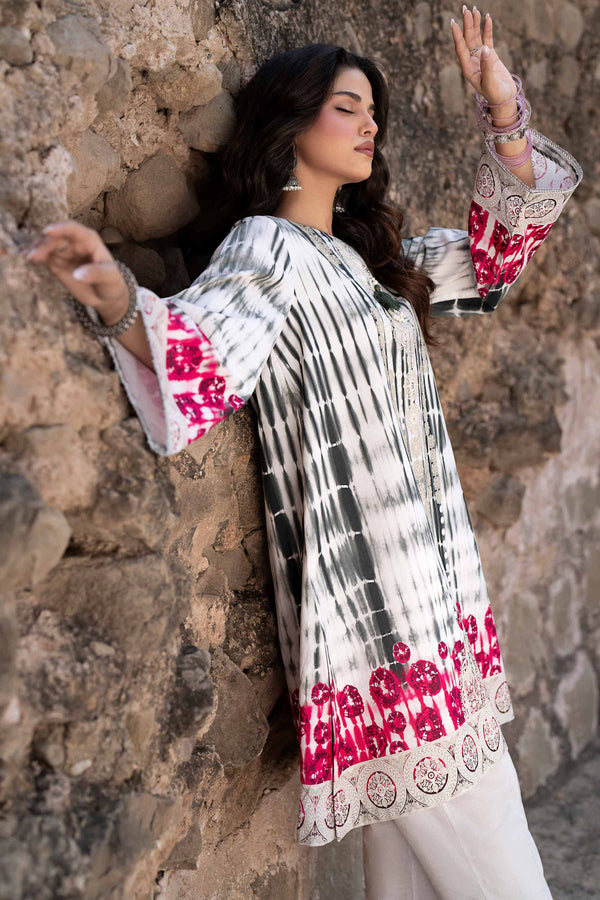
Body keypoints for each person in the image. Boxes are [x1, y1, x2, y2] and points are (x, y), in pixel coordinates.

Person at [20, 7, 581, 897]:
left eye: (374, 114)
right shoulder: (268, 247)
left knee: (409, 883)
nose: (369, 126)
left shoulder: (367, 263)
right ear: (290, 125)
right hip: (383, 624)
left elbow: (495, 262)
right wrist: (116, 298)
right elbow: (202, 349)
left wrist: (504, 110)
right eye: (347, 107)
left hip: (438, 610)